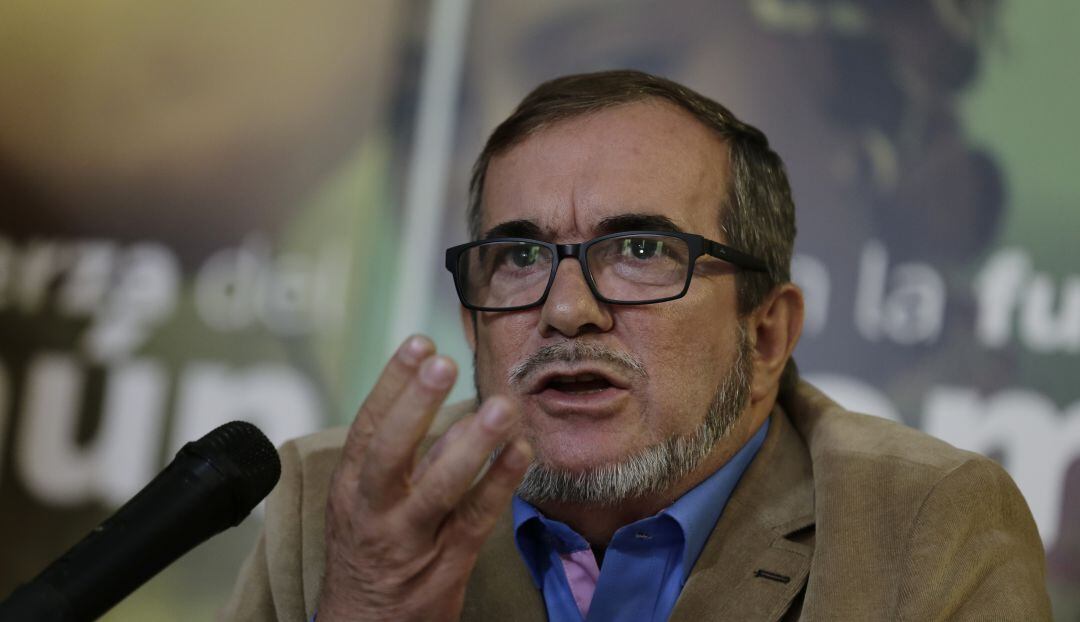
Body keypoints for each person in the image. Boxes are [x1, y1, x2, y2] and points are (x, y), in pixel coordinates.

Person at [220, 70, 1050, 621]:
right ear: (473, 326)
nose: (566, 310)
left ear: (766, 335)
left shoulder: (924, 524)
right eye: (520, 257)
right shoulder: (333, 511)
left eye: (642, 250)